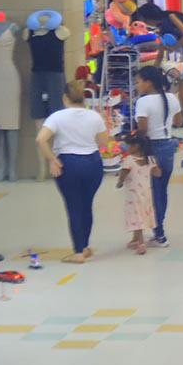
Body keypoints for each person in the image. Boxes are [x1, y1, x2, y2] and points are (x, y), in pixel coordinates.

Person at [35, 81, 108, 264]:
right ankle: (84, 246)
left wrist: (52, 160)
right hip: (93, 163)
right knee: (86, 205)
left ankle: (78, 252)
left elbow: (40, 139)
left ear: (64, 98)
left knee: (74, 207)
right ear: (83, 98)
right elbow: (103, 142)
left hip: (69, 165)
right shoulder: (94, 116)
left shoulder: (57, 117)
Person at [133, 3, 183, 146]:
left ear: (149, 17)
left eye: (144, 20)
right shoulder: (161, 29)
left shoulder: (171, 17)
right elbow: (161, 52)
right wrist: (153, 72)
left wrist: (173, 47)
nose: (145, 23)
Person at [134, 65, 180, 247]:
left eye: (138, 82)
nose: (137, 85)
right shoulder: (171, 98)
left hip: (151, 149)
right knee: (162, 190)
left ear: (148, 82)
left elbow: (143, 129)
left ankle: (159, 232)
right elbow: (179, 121)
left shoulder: (143, 102)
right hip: (168, 147)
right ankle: (159, 228)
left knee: (153, 192)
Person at [117, 133, 157, 255]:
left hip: (133, 195)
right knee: (142, 213)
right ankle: (135, 239)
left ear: (136, 146)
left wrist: (119, 183)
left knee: (136, 216)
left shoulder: (129, 160)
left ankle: (141, 243)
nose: (127, 148)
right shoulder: (150, 159)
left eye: (129, 145)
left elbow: (123, 174)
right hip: (146, 193)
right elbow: (158, 173)